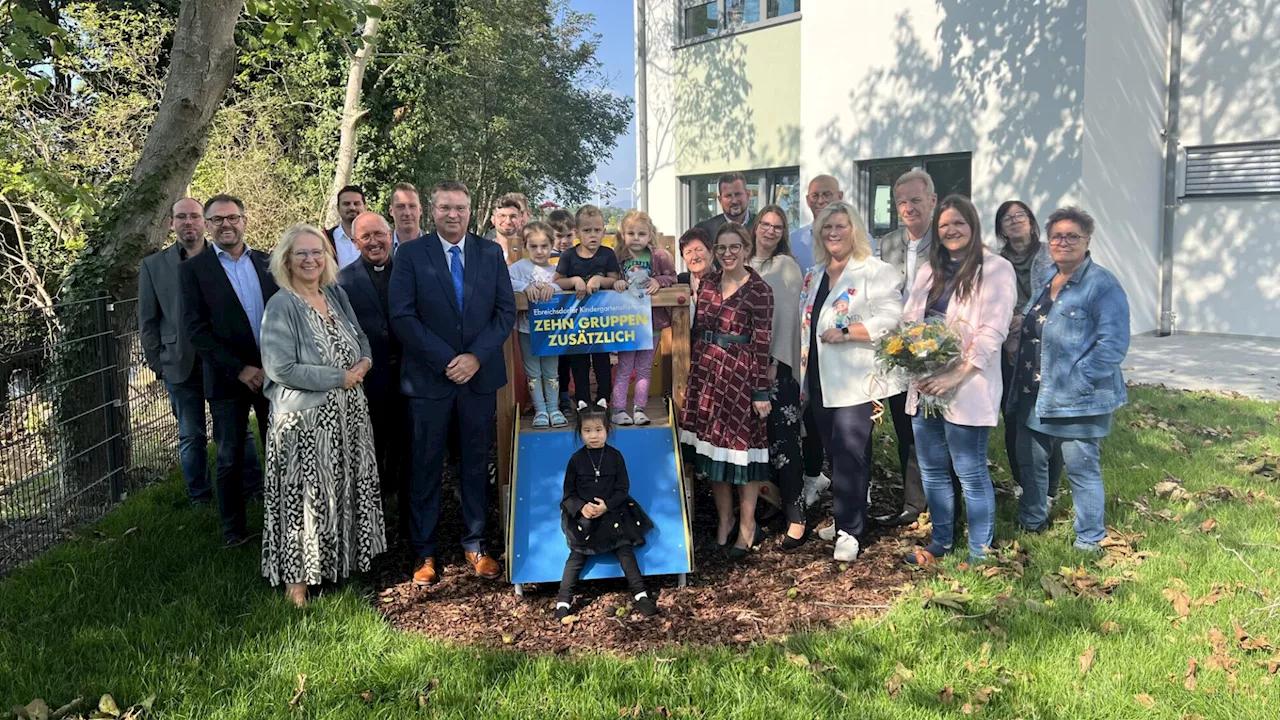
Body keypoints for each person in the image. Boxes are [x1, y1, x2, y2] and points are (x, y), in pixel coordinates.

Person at [389, 180, 516, 586]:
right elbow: (402, 316)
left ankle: (475, 544)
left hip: (478, 380)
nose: (453, 215)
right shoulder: (410, 255)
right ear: (433, 209)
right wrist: (448, 360)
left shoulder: (490, 252)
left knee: (476, 465)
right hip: (430, 381)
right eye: (445, 208)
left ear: (470, 209)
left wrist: (475, 357)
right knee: (425, 467)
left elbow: (504, 312)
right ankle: (424, 552)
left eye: (460, 208)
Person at [259, 224, 385, 607]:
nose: (311, 260)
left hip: (348, 413)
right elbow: (280, 367)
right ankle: (296, 584)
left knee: (340, 491)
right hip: (306, 421)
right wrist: (338, 377)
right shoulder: (281, 304)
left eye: (317, 252)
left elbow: (361, 337)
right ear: (287, 260)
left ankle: (335, 566)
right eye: (302, 254)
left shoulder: (335, 294)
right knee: (305, 499)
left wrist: (364, 361)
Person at [901, 195, 1016, 566]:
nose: (951, 231)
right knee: (933, 469)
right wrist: (905, 353)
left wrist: (955, 374)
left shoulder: (996, 269)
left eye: (958, 224)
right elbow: (910, 321)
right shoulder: (928, 271)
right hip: (925, 385)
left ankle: (979, 552)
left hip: (967, 384)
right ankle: (941, 541)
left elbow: (992, 332)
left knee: (969, 469)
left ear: (973, 226)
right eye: (944, 225)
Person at [1008, 207, 1130, 552]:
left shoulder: (1102, 285)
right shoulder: (1049, 277)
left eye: (1072, 236)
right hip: (1036, 391)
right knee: (1029, 462)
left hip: (1078, 398)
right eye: (1057, 236)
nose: (1063, 242)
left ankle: (1089, 538)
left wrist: (1077, 381)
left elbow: (1113, 345)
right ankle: (1032, 522)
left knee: (1081, 469)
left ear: (1087, 240)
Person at [797, 202, 904, 561]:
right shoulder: (814, 275)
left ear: (854, 229)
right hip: (819, 378)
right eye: (827, 228)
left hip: (858, 379)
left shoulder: (874, 271)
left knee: (850, 453)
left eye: (840, 226)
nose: (833, 233)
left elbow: (892, 319)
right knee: (835, 451)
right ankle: (848, 512)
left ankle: (850, 531)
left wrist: (849, 332)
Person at [139, 197, 260, 505]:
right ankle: (200, 497)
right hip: (182, 364)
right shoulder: (154, 266)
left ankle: (252, 487)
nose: (188, 222)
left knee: (235, 430)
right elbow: (148, 320)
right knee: (191, 434)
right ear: (171, 224)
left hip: (223, 361)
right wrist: (159, 364)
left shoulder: (223, 257)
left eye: (194, 216)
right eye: (181, 217)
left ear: (204, 222)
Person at [181, 194, 279, 546]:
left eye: (233, 217)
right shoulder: (193, 270)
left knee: (280, 451)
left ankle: (281, 521)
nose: (226, 224)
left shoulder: (270, 263)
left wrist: (273, 366)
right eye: (218, 219)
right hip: (227, 379)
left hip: (274, 377)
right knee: (229, 458)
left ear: (244, 220)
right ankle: (234, 532)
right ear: (207, 225)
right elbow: (196, 332)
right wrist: (240, 369)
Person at [680, 223, 774, 558]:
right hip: (707, 373)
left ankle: (747, 524)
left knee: (742, 455)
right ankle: (725, 520)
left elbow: (763, 343)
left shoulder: (760, 290)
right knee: (713, 454)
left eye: (734, 247)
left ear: (746, 248)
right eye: (721, 248)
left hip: (740, 376)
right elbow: (696, 329)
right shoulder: (706, 283)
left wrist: (761, 391)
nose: (727, 254)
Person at [338, 211, 411, 537]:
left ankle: (411, 514)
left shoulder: (410, 272)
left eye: (379, 234)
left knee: (410, 444)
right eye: (365, 237)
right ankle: (376, 513)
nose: (373, 242)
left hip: (410, 373)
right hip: (369, 378)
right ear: (355, 243)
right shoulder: (342, 280)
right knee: (374, 444)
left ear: (390, 234)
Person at [874, 169, 938, 527]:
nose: (909, 207)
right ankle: (914, 502)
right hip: (899, 351)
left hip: (938, 350)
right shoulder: (889, 243)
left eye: (916, 200)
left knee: (939, 428)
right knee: (905, 426)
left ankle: (946, 498)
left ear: (932, 200)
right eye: (902, 202)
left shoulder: (945, 240)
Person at [555, 400, 658, 620]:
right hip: (585, 517)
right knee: (576, 556)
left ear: (607, 430)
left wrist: (607, 505)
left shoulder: (615, 456)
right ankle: (563, 601)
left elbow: (623, 488)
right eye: (587, 431)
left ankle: (640, 595)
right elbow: (568, 494)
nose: (593, 435)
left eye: (598, 430)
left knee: (625, 551)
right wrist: (582, 508)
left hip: (612, 513)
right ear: (580, 432)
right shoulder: (576, 460)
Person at [746, 206, 806, 548]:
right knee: (757, 444)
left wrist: (773, 363)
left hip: (774, 368)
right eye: (765, 225)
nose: (770, 231)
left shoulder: (786, 267)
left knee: (785, 443)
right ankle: (769, 507)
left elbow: (786, 319)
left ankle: (796, 517)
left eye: (777, 227)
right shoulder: (739, 263)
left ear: (783, 233)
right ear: (755, 228)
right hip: (744, 369)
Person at [995, 200, 1062, 503]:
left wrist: (1025, 319)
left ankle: (1049, 487)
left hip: (1045, 344)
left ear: (1032, 222)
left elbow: (1063, 295)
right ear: (1001, 229)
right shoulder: (994, 262)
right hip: (1006, 342)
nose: (1014, 221)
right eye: (1007, 218)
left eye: (1020, 215)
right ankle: (1022, 481)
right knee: (1013, 415)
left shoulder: (1052, 254)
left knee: (1045, 413)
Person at [611, 210, 677, 426]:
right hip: (628, 324)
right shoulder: (617, 259)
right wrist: (616, 283)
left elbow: (672, 277)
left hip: (653, 324)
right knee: (624, 367)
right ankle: (619, 408)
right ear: (623, 235)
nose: (636, 238)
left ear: (650, 235)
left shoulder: (658, 257)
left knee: (644, 368)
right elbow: (610, 280)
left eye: (641, 233)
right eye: (631, 233)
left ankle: (640, 408)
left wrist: (659, 281)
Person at [553, 205, 618, 406]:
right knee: (578, 359)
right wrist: (574, 281)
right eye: (587, 231)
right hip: (576, 320)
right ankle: (581, 398)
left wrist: (599, 279)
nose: (593, 235)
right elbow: (558, 280)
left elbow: (615, 280)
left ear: (604, 232)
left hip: (601, 319)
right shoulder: (568, 256)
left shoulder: (608, 254)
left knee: (602, 359)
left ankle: (603, 397)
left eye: (597, 230)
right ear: (577, 232)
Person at [509, 221, 567, 428]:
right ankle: (540, 410)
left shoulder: (557, 270)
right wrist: (525, 287)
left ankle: (554, 408)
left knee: (551, 370)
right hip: (526, 330)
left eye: (544, 246)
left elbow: (565, 283)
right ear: (525, 245)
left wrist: (552, 285)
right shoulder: (518, 268)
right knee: (533, 371)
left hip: (552, 332)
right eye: (533, 246)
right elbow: (504, 281)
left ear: (552, 245)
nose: (540, 251)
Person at [547, 208, 577, 412]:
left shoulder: (580, 255)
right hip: (551, 319)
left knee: (574, 360)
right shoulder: (544, 257)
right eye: (559, 236)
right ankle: (554, 398)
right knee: (555, 362)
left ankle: (569, 396)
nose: (564, 241)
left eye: (568, 235)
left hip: (576, 317)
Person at [789, 175, 844, 273]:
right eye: (815, 196)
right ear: (807, 201)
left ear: (840, 197)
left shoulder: (859, 238)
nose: (820, 201)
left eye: (827, 195)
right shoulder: (792, 241)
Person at [695, 172, 753, 238]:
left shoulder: (761, 227)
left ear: (747, 195)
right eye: (728, 196)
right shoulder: (704, 230)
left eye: (738, 194)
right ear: (720, 200)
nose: (734, 201)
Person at [326, 185, 366, 269]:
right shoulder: (325, 240)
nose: (352, 207)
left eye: (356, 203)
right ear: (338, 208)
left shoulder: (378, 239)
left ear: (365, 207)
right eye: (346, 204)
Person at [491, 193, 528, 266]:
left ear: (520, 220)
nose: (508, 221)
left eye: (513, 216)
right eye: (502, 216)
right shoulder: (483, 251)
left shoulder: (531, 252)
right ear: (493, 220)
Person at [389, 182, 423, 246]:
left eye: (412, 206)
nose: (407, 213)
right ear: (391, 211)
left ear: (420, 210)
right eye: (400, 207)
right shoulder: (382, 247)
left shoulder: (436, 247)